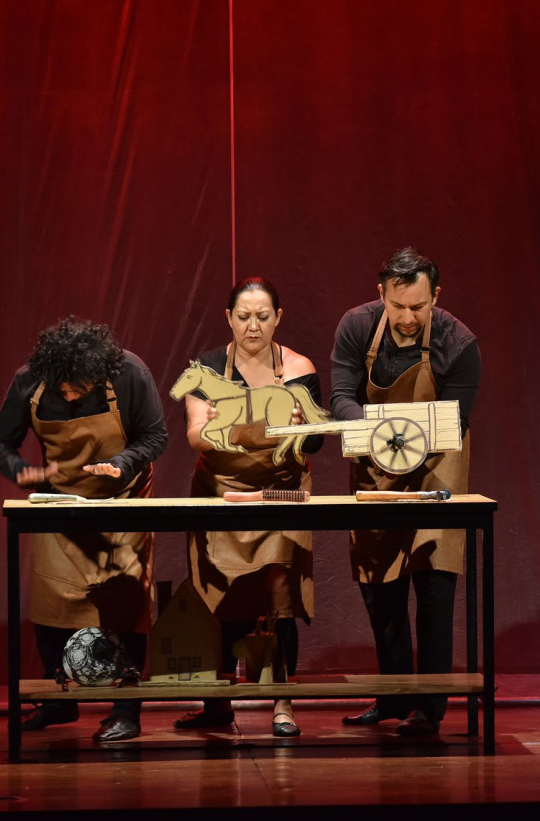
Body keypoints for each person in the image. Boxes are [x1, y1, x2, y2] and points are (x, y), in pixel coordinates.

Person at [0, 315, 168, 743]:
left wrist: (121, 464)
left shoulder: (130, 373)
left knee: (127, 603)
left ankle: (126, 710)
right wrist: (23, 472)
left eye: (79, 387)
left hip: (124, 497)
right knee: (51, 605)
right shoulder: (29, 382)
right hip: (62, 501)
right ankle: (59, 699)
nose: (70, 393)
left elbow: (155, 436)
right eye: (63, 386)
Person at [331, 247, 480, 736]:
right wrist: (377, 433)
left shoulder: (459, 344)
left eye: (419, 306)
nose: (409, 317)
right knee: (381, 589)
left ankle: (429, 709)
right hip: (376, 470)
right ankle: (393, 699)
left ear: (435, 296)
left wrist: (398, 434)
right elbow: (340, 398)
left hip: (437, 469)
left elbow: (453, 422)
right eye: (399, 307)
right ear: (382, 295)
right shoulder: (356, 326)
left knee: (434, 587)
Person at [174, 277, 322, 737]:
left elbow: (317, 438)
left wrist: (299, 425)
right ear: (228, 318)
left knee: (280, 597)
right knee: (217, 594)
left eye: (262, 317)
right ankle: (217, 703)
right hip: (222, 490)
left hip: (279, 490)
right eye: (243, 317)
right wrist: (218, 428)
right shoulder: (209, 369)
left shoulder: (297, 368)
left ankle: (282, 702)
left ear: (278, 318)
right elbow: (195, 434)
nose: (253, 326)